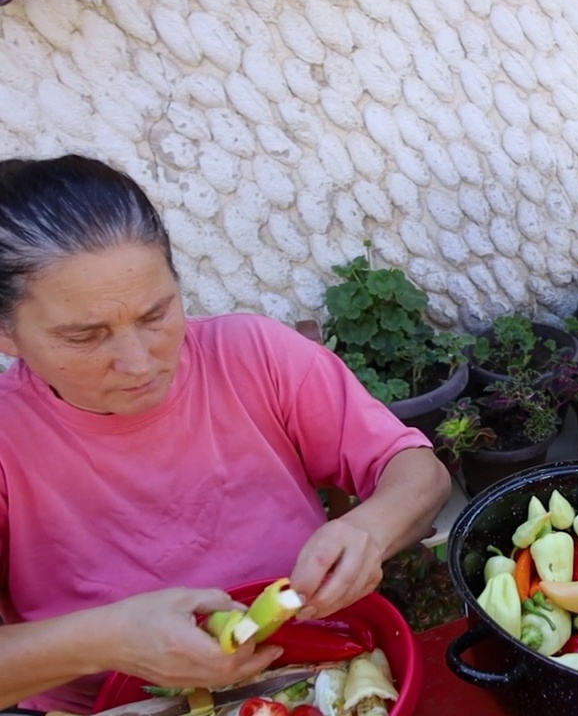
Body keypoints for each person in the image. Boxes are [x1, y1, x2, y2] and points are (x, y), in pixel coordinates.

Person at [0, 155, 453, 713]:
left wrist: (371, 529)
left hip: (314, 665)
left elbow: (418, 471)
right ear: (7, 334)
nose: (139, 363)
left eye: (155, 314)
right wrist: (108, 640)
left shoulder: (255, 356)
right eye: (85, 337)